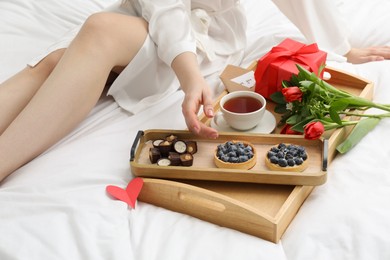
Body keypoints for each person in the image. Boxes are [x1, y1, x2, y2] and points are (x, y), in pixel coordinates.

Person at [0, 0, 389, 182]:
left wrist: (342, 47)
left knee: (99, 31)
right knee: (54, 62)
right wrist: (189, 78)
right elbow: (162, 7)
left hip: (200, 33)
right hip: (147, 17)